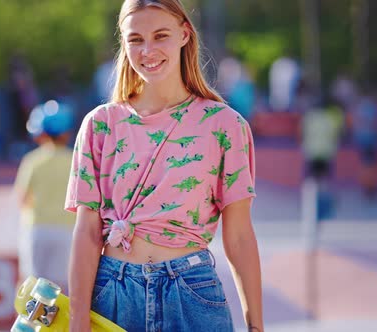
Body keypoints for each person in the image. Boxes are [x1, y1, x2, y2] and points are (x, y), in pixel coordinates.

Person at [65, 1, 263, 331]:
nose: (148, 50)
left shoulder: (225, 125)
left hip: (191, 291)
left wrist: (256, 326)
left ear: (184, 34)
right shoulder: (100, 125)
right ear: (123, 43)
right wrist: (77, 322)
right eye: (136, 39)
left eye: (160, 36)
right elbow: (86, 232)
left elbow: (240, 235)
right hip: (113, 292)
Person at [14, 101, 75, 292]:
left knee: (31, 286)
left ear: (40, 134)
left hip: (37, 228)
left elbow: (22, 197)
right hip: (67, 230)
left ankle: (29, 322)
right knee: (62, 288)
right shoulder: (76, 159)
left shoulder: (32, 161)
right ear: (67, 133)